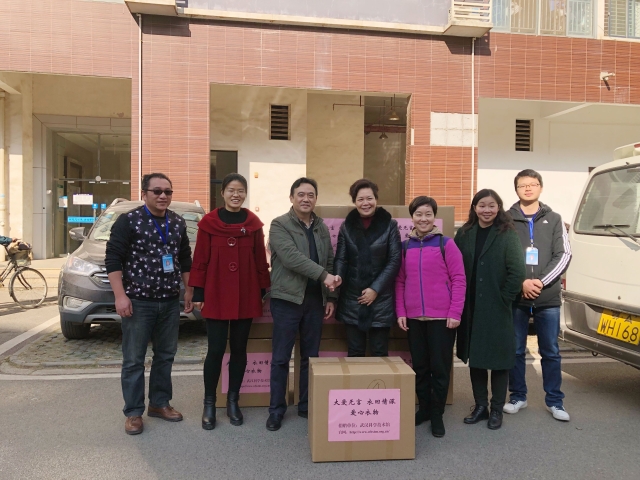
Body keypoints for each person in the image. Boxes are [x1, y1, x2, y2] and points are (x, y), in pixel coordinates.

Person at [106, 173, 194, 436]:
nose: (163, 196)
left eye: (168, 191)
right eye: (157, 191)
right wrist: (120, 296)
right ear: (144, 193)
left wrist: (189, 290)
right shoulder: (128, 221)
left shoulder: (177, 222)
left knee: (165, 355)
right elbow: (113, 259)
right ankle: (133, 412)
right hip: (138, 301)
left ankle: (159, 403)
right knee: (134, 359)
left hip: (169, 301)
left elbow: (185, 259)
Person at [190, 173, 270, 430]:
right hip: (215, 293)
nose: (236, 195)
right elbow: (200, 259)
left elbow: (260, 260)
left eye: (240, 191)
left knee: (239, 349)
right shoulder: (208, 224)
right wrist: (198, 293)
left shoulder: (253, 224)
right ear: (222, 193)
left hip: (245, 294)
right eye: (231, 190)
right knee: (215, 350)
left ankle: (234, 401)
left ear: (245, 194)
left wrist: (263, 290)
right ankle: (209, 403)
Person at [266, 177, 341, 431]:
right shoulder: (279, 224)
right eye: (301, 194)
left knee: (310, 357)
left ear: (316, 199)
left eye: (310, 195)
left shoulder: (321, 227)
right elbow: (291, 257)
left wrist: (331, 296)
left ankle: (306, 405)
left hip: (314, 300)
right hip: (287, 299)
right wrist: (324, 276)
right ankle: (276, 410)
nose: (306, 199)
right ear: (291, 198)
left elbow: (329, 259)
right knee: (280, 357)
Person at [454, 189, 525, 430]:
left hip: (497, 306)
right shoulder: (464, 233)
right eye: (482, 205)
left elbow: (517, 271)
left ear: (499, 208)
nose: (487, 210)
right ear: (474, 208)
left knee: (499, 360)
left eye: (491, 205)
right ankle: (480, 406)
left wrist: (504, 298)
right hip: (470, 306)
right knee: (476, 358)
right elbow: (454, 266)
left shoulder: (507, 234)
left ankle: (496, 409)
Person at [395, 196, 466, 438]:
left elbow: (459, 280)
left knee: (440, 368)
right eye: (418, 214)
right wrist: (401, 311)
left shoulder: (447, 244)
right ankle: (424, 409)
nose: (423, 219)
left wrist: (455, 312)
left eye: (428, 214)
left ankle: (437, 414)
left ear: (434, 217)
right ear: (412, 217)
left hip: (442, 319)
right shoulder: (405, 247)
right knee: (420, 367)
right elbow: (400, 282)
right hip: (414, 318)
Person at [505, 169, 572, 421]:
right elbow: (502, 256)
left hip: (548, 297)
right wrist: (521, 282)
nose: (528, 188)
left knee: (550, 350)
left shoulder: (554, 218)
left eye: (532, 184)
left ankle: (555, 401)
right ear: (516, 189)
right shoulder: (506, 219)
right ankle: (517, 396)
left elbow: (564, 254)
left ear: (540, 187)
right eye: (522, 185)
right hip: (517, 296)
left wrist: (540, 282)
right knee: (515, 350)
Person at [334, 179, 401, 357]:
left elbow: (394, 260)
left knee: (379, 351)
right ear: (354, 202)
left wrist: (375, 289)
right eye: (360, 199)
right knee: (355, 351)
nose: (366, 203)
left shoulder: (390, 225)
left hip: (381, 299)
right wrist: (338, 276)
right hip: (352, 298)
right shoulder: (346, 227)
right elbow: (341, 258)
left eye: (369, 198)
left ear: (376, 199)